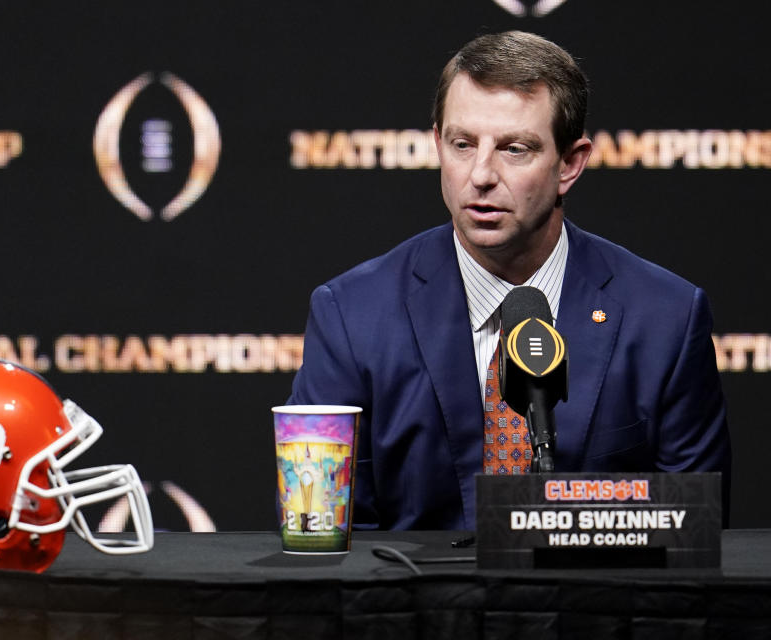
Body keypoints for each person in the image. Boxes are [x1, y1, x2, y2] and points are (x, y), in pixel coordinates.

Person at [288, 31, 731, 531]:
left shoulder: (666, 319)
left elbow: (694, 541)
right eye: (462, 144)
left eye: (514, 149)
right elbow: (324, 534)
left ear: (570, 164)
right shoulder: (351, 315)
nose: (480, 174)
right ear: (437, 144)